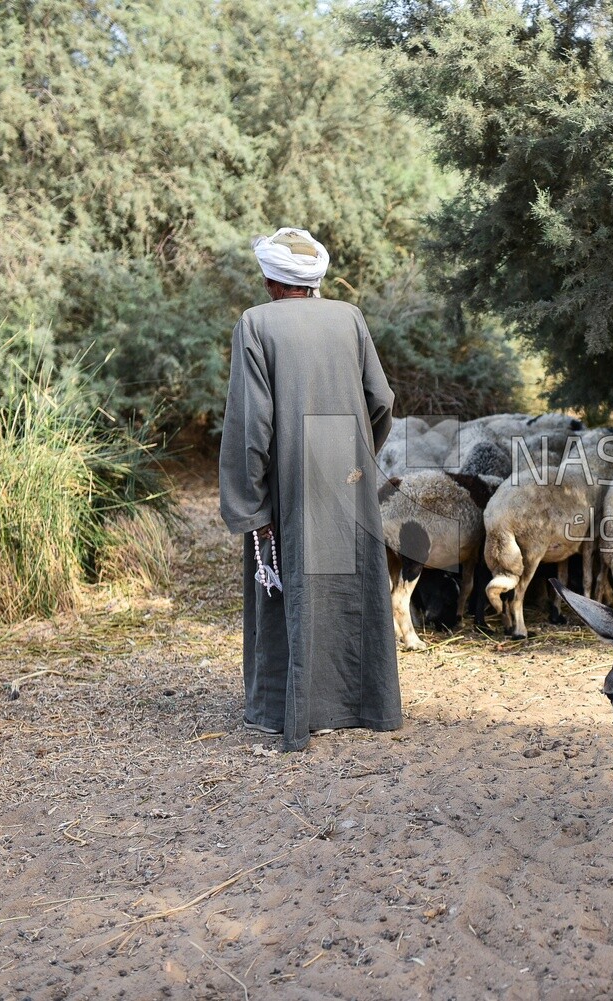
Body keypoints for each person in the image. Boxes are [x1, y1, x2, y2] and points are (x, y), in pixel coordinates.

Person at [218, 227, 400, 751]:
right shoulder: (350, 317)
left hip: (290, 478)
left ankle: (285, 712)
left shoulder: (256, 324)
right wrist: (358, 451)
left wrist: (252, 502)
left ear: (273, 279)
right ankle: (363, 706)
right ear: (313, 279)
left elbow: (252, 424)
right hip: (345, 466)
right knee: (346, 582)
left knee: (286, 586)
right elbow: (381, 398)